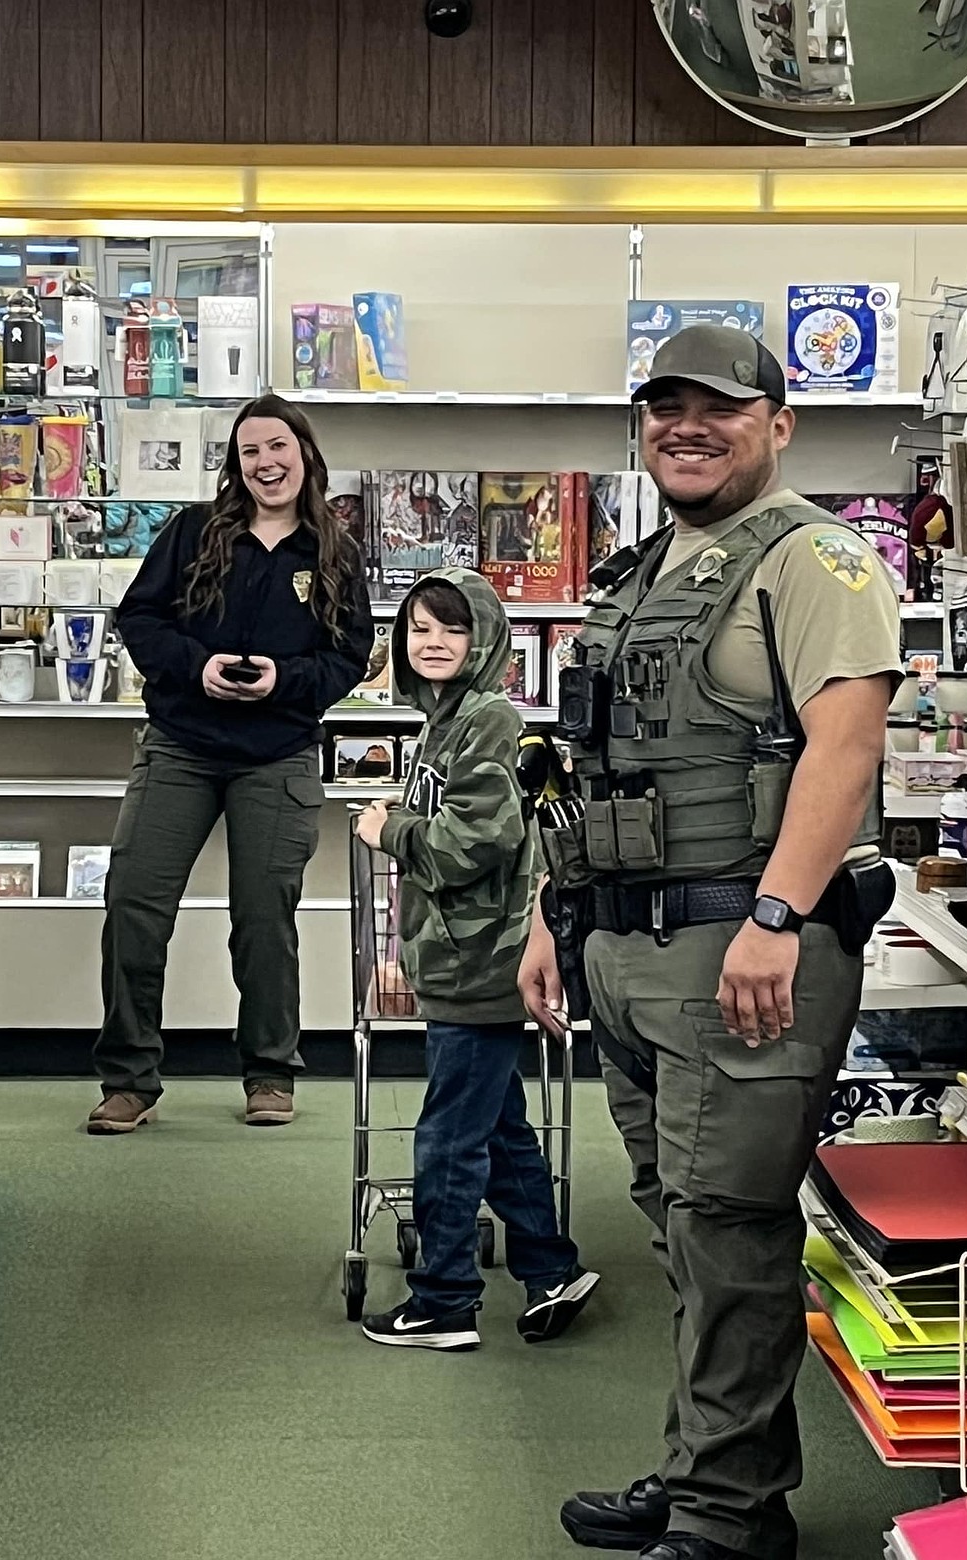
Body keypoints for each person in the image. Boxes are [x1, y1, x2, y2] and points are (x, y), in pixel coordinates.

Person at [519, 326, 901, 1560]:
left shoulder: (815, 562)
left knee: (731, 1229)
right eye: (665, 407)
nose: (687, 427)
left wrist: (779, 916)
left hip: (742, 950)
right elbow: (592, 769)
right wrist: (550, 915)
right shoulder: (643, 573)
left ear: (779, 425)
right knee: (687, 1231)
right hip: (626, 952)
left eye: (720, 409)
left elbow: (845, 752)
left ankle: (727, 1520)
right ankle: (707, 1477)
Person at [87, 395, 374, 1135]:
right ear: (235, 464)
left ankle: (270, 1072)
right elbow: (139, 619)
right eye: (250, 452)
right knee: (133, 904)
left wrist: (286, 681)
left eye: (277, 447)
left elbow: (346, 658)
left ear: (304, 453)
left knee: (263, 919)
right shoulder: (193, 532)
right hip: (180, 746)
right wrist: (197, 666)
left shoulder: (337, 553)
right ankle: (128, 1079)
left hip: (277, 756)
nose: (265, 463)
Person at [355, 570, 599, 1351]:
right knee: (495, 1126)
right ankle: (549, 1266)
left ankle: (446, 1298)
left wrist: (386, 831)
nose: (433, 643)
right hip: (463, 949)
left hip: (479, 955)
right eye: (420, 627)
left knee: (448, 1137)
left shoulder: (486, 717)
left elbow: (477, 841)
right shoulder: (446, 719)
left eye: (452, 630)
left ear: (485, 640)